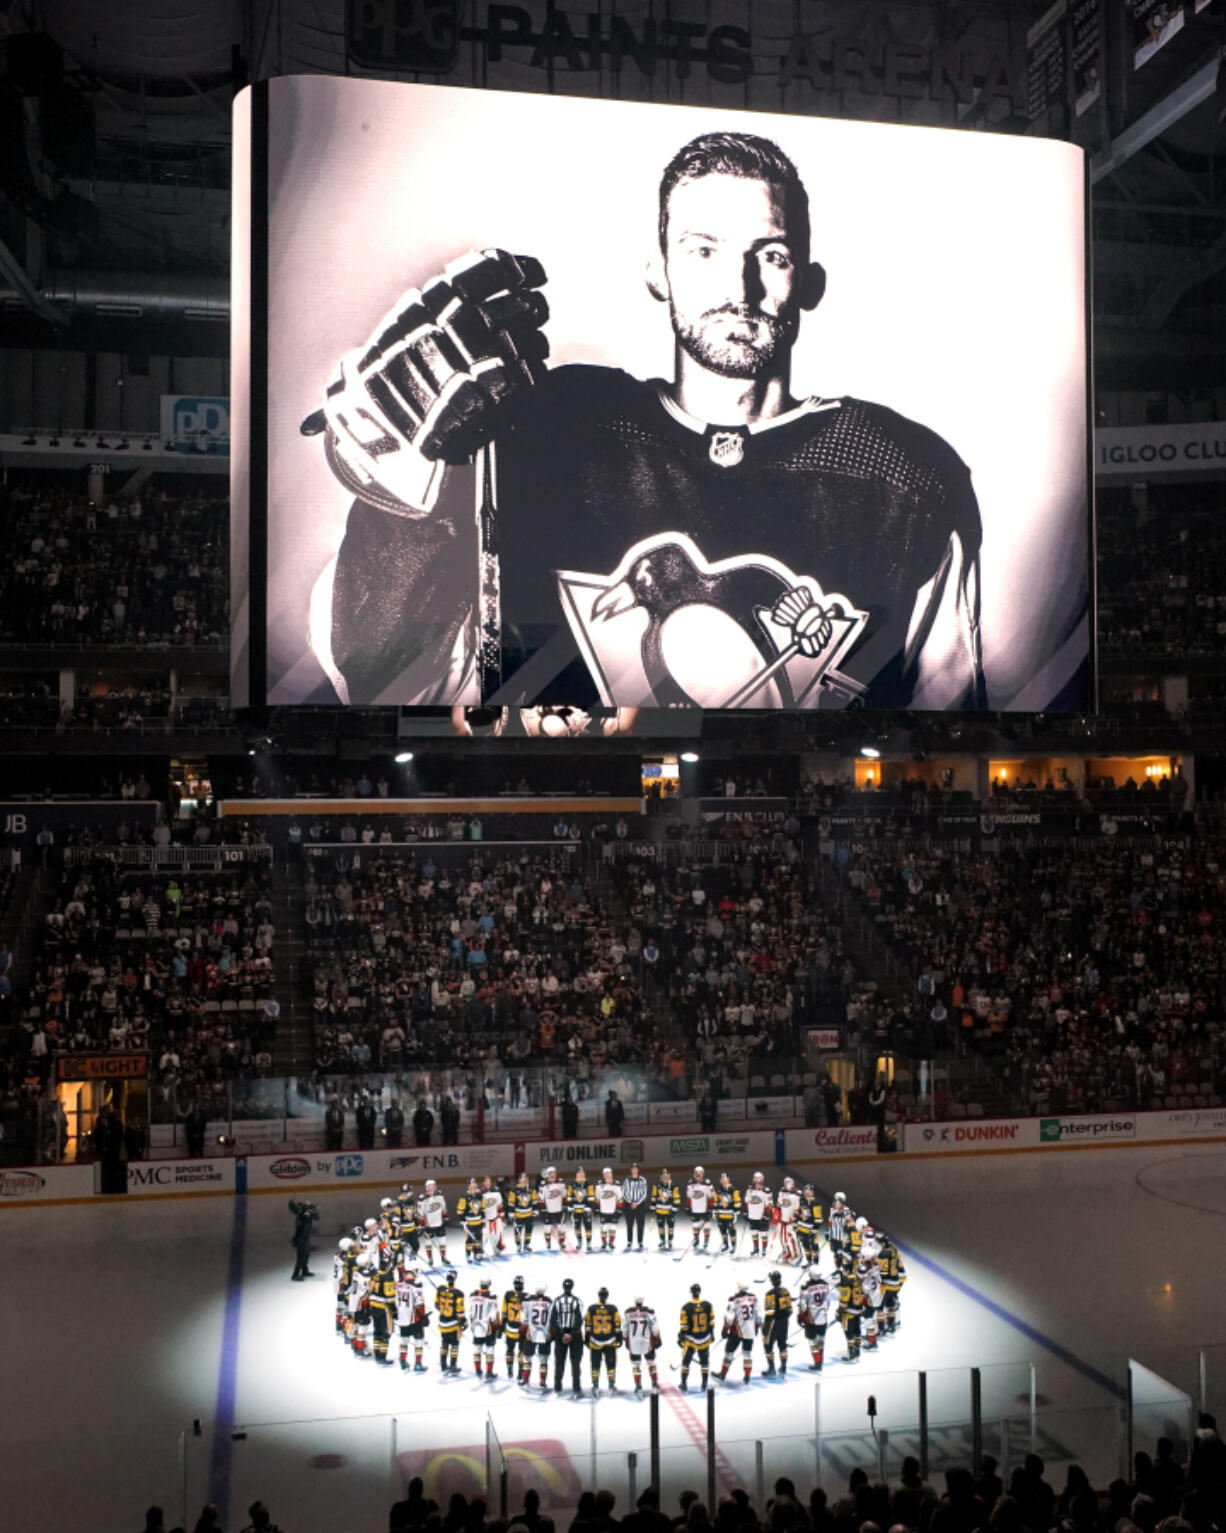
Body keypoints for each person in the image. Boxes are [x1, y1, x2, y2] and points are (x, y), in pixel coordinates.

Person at [309, 131, 986, 711]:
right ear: (657, 272)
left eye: (770, 255)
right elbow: (394, 683)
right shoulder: (551, 431)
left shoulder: (904, 475)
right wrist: (399, 511)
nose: (739, 287)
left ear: (807, 281)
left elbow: (947, 715)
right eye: (703, 250)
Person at [549, 1276, 585, 1398]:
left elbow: (553, 1320)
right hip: (573, 1335)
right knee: (575, 1363)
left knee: (560, 1362)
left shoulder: (557, 1300)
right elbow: (580, 1320)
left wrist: (562, 1334)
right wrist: (572, 1334)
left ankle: (558, 1386)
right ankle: (576, 1387)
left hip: (562, 1334)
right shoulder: (577, 1301)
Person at [718, 1283, 761, 1385]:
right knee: (747, 1354)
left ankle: (723, 1374)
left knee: (729, 1352)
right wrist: (757, 1327)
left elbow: (729, 1318)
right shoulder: (754, 1298)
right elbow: (759, 1316)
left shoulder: (734, 1300)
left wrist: (725, 1329)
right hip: (750, 1330)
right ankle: (747, 1376)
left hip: (736, 1331)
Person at [584, 1285, 623, 1395]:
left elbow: (588, 1324)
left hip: (595, 1341)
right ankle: (611, 1384)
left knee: (595, 1364)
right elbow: (617, 1324)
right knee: (611, 1365)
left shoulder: (592, 1308)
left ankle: (595, 1384)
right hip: (610, 1341)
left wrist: (586, 1338)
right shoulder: (613, 1308)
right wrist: (619, 1336)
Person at [678, 1282, 715, 1393]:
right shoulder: (708, 1305)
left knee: (685, 1362)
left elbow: (684, 1326)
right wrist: (711, 1334)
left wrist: (681, 1336)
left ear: (691, 1293)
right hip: (705, 1338)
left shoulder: (686, 1307)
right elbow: (712, 1322)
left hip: (691, 1340)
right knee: (704, 1362)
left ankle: (684, 1384)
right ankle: (704, 1384)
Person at [623, 1295, 662, 1395]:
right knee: (651, 1362)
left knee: (636, 1365)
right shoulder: (649, 1312)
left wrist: (625, 1338)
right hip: (647, 1342)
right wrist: (657, 1338)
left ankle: (638, 1385)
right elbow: (655, 1328)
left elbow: (624, 1330)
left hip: (634, 1343)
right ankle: (654, 1383)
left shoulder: (628, 1313)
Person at [761, 1270, 793, 1377]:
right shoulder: (785, 1291)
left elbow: (770, 1312)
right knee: (782, 1344)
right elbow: (790, 1310)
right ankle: (783, 1367)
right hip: (784, 1322)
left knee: (768, 1345)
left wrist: (765, 1326)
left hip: (774, 1323)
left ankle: (771, 1368)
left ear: (772, 1281)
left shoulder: (770, 1293)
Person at [289, 1197, 319, 1280]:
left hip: (305, 1238)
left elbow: (316, 1217)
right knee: (301, 1256)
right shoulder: (301, 1216)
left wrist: (310, 1211)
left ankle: (304, 1270)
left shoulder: (306, 1214)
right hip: (301, 1239)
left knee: (306, 1255)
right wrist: (306, 1212)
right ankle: (295, 1274)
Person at [622, 1162, 648, 1251]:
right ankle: (629, 1241)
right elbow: (624, 1192)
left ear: (638, 1170)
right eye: (633, 1168)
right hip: (629, 1205)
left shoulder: (642, 1180)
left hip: (639, 1205)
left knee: (640, 1224)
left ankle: (640, 1241)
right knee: (629, 1223)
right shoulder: (626, 1180)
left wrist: (637, 1202)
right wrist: (631, 1202)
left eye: (636, 1169)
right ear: (631, 1170)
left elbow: (644, 1193)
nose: (634, 1170)